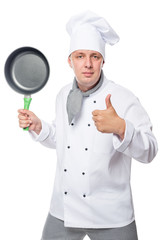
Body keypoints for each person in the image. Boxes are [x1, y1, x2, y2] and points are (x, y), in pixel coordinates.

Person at [18, 11, 158, 240]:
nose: (88, 64)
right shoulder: (63, 95)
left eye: (94, 56)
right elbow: (64, 139)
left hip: (110, 215)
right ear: (69, 61)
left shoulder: (123, 97)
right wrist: (38, 126)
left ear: (103, 60)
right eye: (80, 56)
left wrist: (122, 128)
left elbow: (151, 150)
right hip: (64, 210)